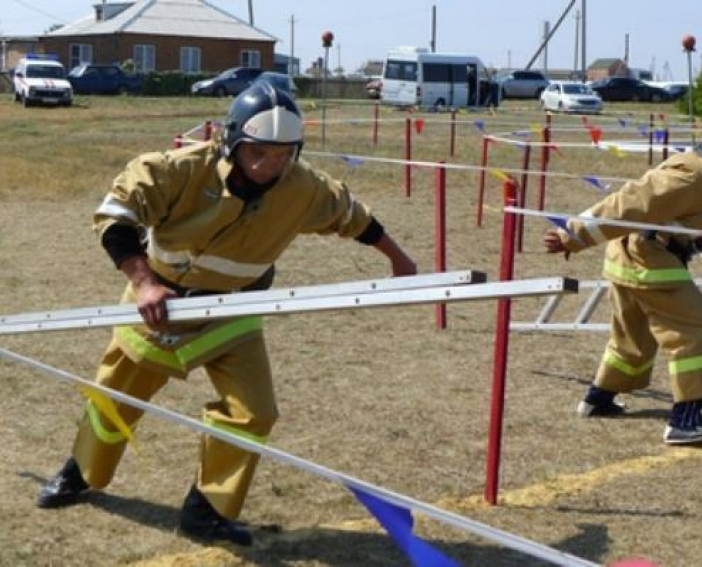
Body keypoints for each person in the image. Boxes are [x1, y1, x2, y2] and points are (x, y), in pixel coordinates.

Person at [36, 80, 417, 545]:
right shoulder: (178, 170)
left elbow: (353, 216)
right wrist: (144, 283)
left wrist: (398, 259)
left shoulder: (304, 187)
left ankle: (208, 511)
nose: (270, 166)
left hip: (234, 310)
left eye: (283, 154)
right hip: (162, 307)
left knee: (254, 412)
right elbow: (117, 213)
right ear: (231, 141)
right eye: (258, 153)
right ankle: (81, 474)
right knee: (114, 399)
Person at [544, 96, 702, 446]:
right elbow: (631, 203)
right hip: (647, 260)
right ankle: (684, 423)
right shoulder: (696, 175)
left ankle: (597, 401)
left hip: (635, 260)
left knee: (634, 342)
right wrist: (573, 235)